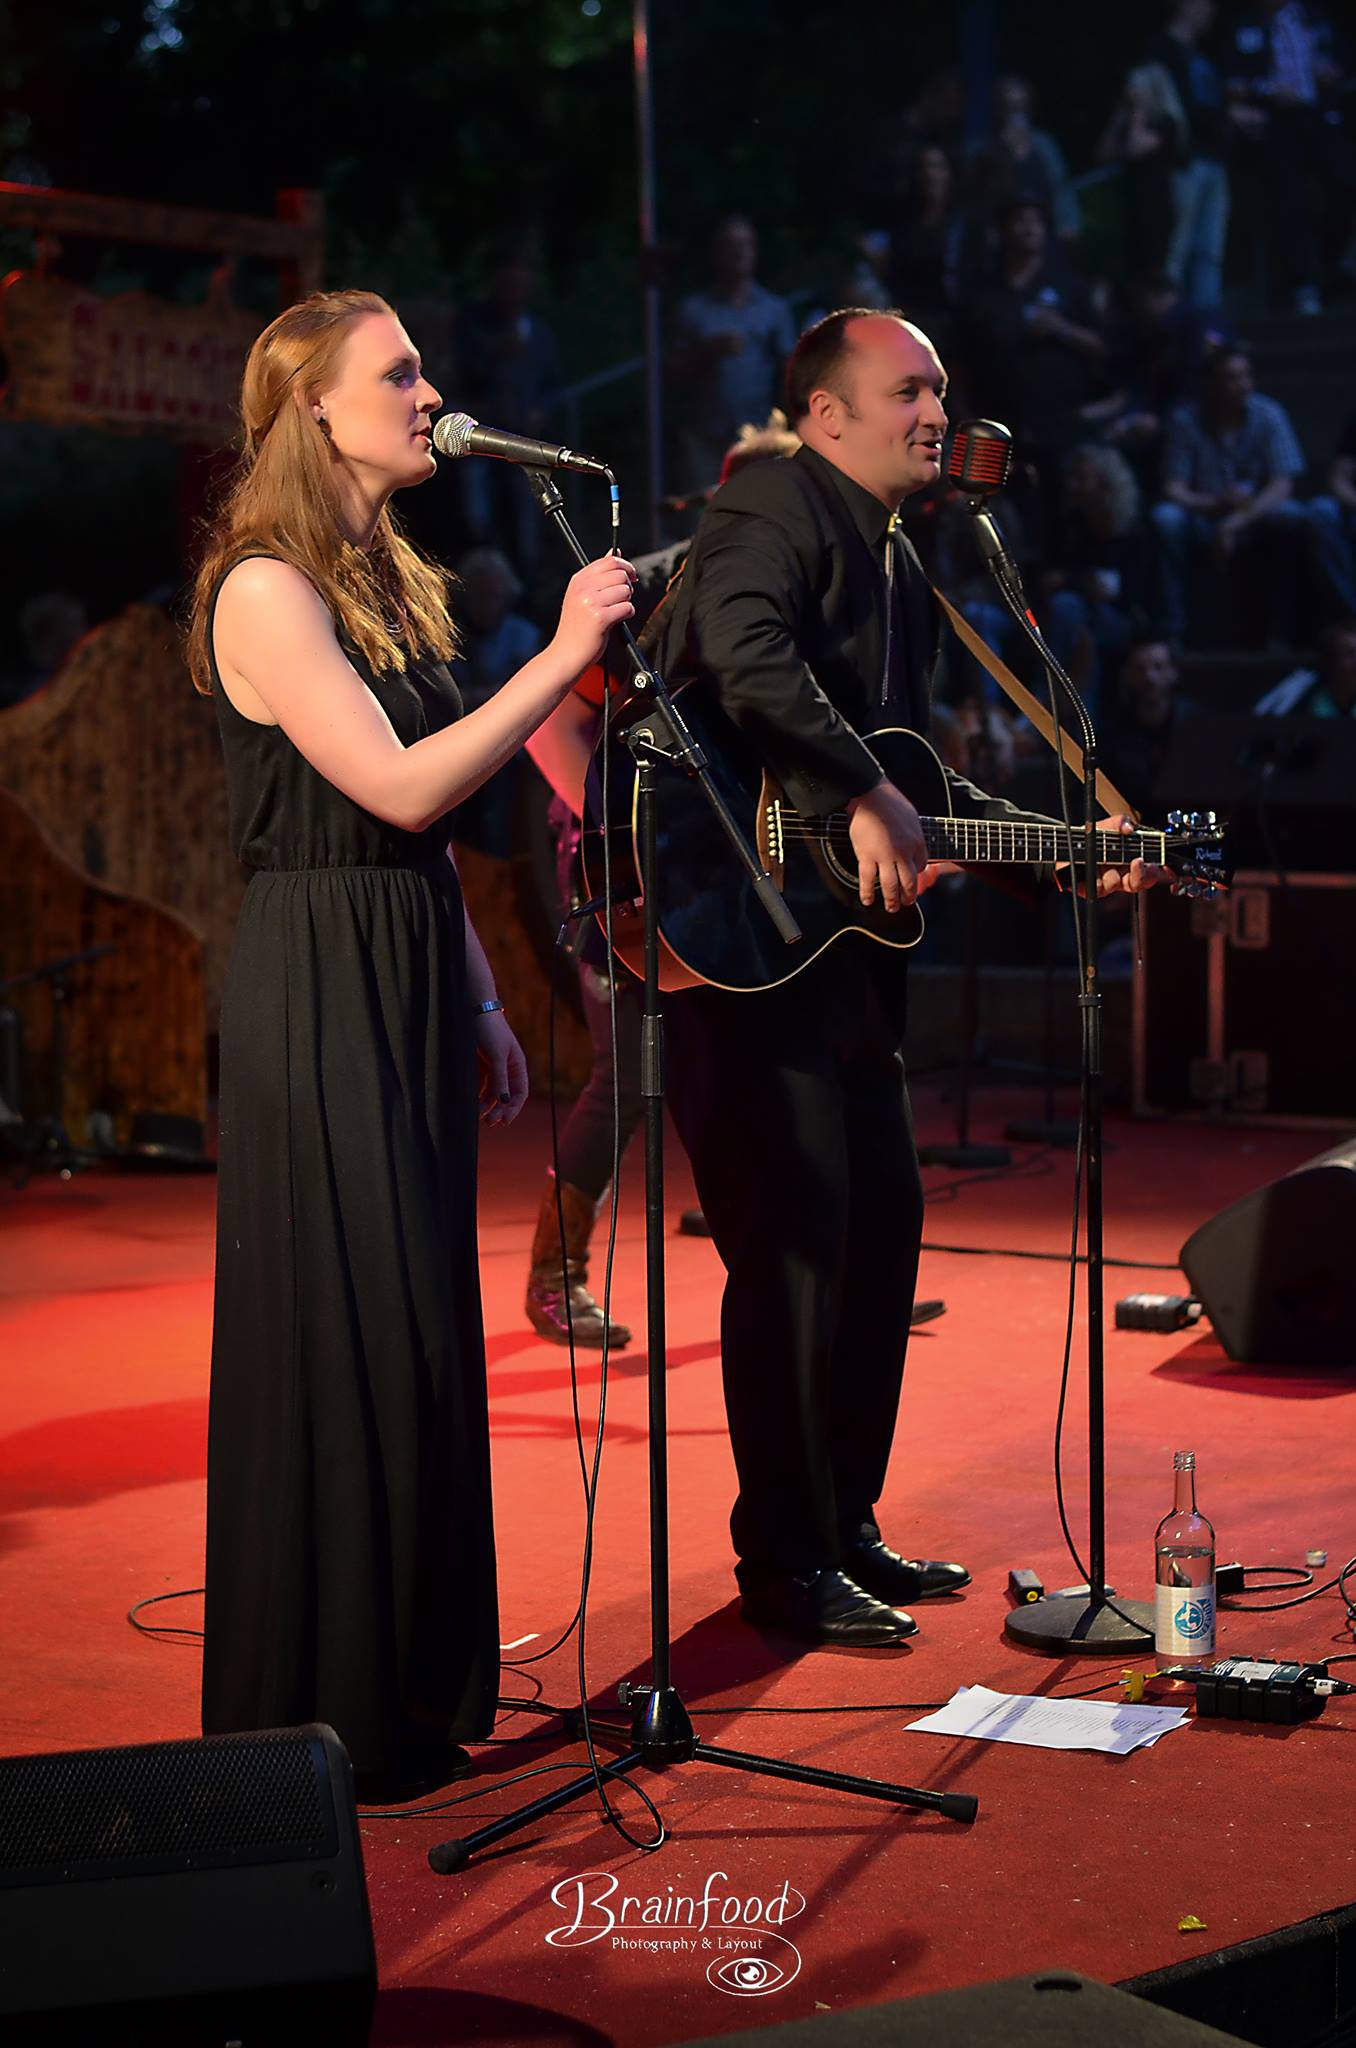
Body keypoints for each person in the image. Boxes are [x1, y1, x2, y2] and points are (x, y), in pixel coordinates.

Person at [647, 309, 1168, 1649]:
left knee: (879, 1226)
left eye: (941, 390)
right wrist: (860, 788)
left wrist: (1064, 856)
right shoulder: (769, 503)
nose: (939, 413)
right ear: (826, 413)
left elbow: (918, 785)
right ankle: (782, 1560)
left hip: (836, 955)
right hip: (742, 924)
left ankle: (842, 1524)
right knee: (793, 1246)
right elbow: (746, 659)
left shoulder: (896, 553)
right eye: (909, 391)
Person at [188, 289, 634, 1798]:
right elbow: (394, 789)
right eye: (400, 372)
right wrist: (560, 653)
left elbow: (420, 838)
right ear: (314, 406)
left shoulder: (376, 573)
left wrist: (482, 992)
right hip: (318, 971)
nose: (430, 392)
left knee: (422, 1327)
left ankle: (413, 1677)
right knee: (354, 1322)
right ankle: (333, 1706)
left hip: (399, 953)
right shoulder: (265, 586)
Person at [1150, 342, 1308, 645]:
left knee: (1293, 516)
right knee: (1165, 519)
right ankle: (1171, 630)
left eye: (1246, 375)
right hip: (1203, 512)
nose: (1242, 384)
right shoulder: (1186, 420)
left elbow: (1282, 484)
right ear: (1211, 383)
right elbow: (1173, 488)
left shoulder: (1269, 414)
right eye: (1231, 377)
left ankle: (1284, 631)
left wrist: (1235, 522)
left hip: (1254, 515)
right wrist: (1214, 503)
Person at [669, 217, 798, 496]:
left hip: (759, 436)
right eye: (731, 245)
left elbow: (789, 369)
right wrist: (707, 352)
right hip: (705, 435)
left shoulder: (773, 309)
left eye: (746, 245)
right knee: (704, 512)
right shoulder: (694, 310)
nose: (740, 252)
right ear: (716, 253)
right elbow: (672, 372)